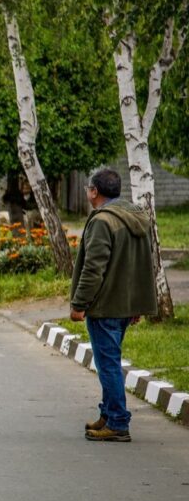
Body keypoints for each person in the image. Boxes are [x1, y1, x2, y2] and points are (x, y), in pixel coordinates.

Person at [71, 169, 157, 442]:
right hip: (125, 304)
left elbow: (93, 269)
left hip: (105, 305)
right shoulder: (134, 216)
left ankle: (118, 422)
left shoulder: (103, 221)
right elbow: (142, 264)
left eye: (88, 188)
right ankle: (107, 414)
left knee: (108, 365)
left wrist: (79, 303)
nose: (86, 192)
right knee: (111, 361)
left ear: (95, 191)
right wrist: (137, 304)